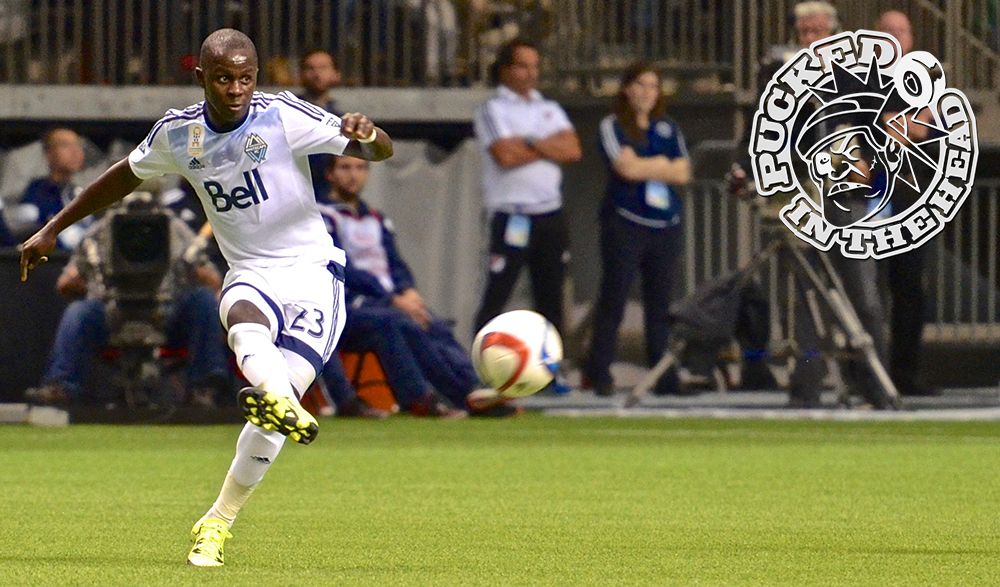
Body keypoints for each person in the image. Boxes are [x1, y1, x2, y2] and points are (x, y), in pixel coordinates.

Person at [18, 28, 393, 567]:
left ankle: (219, 516)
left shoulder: (286, 115)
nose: (236, 88)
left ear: (256, 77)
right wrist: (54, 228)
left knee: (267, 421)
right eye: (223, 78)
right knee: (239, 315)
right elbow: (121, 177)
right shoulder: (178, 133)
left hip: (313, 275)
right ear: (201, 78)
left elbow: (378, 150)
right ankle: (278, 395)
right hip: (251, 271)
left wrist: (369, 131)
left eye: (245, 77)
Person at [730, 2, 894, 409]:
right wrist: (742, 166)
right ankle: (806, 387)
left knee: (863, 296)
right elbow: (760, 125)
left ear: (834, 34)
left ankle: (877, 386)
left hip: (848, 196)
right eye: (803, 32)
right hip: (803, 194)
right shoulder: (782, 76)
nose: (809, 40)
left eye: (818, 32)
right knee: (805, 300)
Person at [317, 155, 514, 417]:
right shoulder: (321, 216)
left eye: (360, 168)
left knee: (431, 321)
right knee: (394, 321)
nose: (354, 175)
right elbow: (343, 268)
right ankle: (427, 398)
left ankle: (474, 389)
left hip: (387, 300)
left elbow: (395, 263)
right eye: (345, 168)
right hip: (345, 304)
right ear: (330, 174)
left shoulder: (376, 217)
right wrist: (391, 299)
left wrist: (407, 290)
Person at [22, 192, 231, 407]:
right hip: (114, 313)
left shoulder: (174, 228)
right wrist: (91, 282)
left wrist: (195, 276)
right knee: (79, 311)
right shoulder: (100, 232)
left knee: (203, 300)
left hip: (166, 312)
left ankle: (205, 386)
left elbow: (211, 279)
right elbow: (66, 283)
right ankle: (61, 385)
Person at [581, 62, 691, 397]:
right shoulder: (613, 125)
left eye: (653, 86)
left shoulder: (668, 127)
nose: (646, 93)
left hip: (664, 225)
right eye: (640, 85)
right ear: (627, 89)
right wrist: (660, 166)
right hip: (626, 222)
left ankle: (663, 375)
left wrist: (653, 167)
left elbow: (683, 172)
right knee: (614, 297)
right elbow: (625, 168)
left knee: (660, 305)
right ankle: (599, 371)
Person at [471, 38, 582, 340]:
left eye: (535, 67)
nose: (531, 74)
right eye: (523, 66)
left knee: (551, 296)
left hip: (549, 214)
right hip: (512, 215)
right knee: (497, 293)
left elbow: (573, 150)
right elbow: (505, 156)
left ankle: (551, 370)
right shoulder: (493, 109)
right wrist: (548, 145)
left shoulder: (549, 107)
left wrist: (530, 142)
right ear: (506, 70)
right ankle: (479, 368)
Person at [875, 10, 940, 397]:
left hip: (909, 202)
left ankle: (905, 373)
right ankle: (868, 375)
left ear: (912, 39)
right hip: (864, 198)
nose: (896, 37)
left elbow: (920, 128)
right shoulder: (860, 76)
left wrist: (885, 119)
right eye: (888, 31)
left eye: (902, 31)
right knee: (865, 294)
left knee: (910, 290)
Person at [6, 127, 89, 249]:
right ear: (49, 154)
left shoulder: (79, 192)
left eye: (78, 145)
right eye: (65, 146)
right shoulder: (37, 192)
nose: (75, 152)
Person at [298, 48, 343, 199]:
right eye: (311, 68)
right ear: (301, 74)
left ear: (336, 74)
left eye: (323, 68)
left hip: (327, 200)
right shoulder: (285, 113)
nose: (317, 74)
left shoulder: (341, 121)